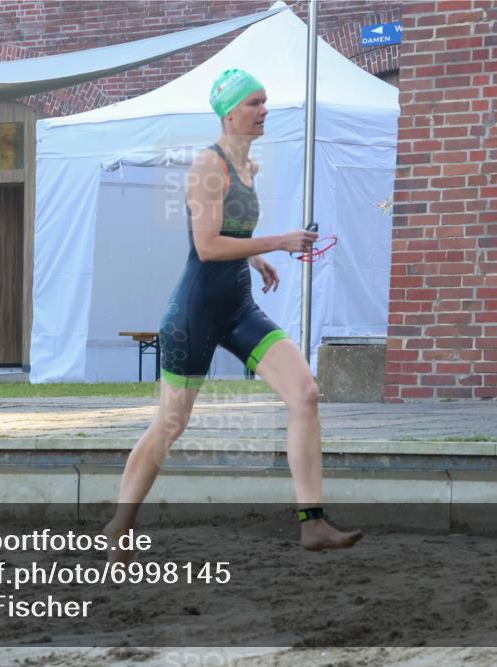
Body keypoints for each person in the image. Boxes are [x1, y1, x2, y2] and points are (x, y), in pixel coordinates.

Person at [104, 69, 362, 561]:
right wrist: (278, 242)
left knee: (305, 394)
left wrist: (255, 256)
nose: (264, 110)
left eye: (265, 101)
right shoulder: (208, 165)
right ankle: (121, 524)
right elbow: (204, 247)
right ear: (229, 112)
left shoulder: (251, 168)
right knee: (170, 425)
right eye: (254, 103)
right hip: (195, 313)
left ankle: (314, 524)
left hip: (238, 306)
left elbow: (229, 233)